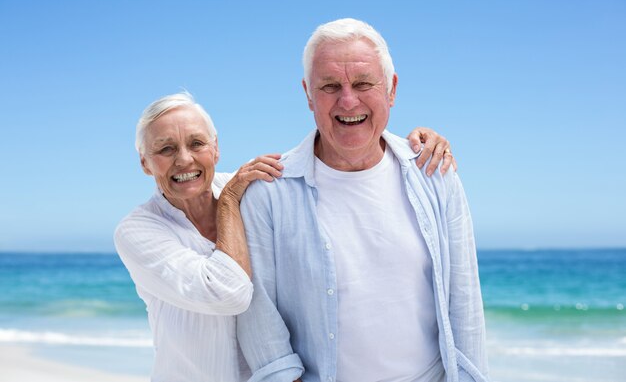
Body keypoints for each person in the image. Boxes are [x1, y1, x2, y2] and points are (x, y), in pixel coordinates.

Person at [115, 92, 456, 382]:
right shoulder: (139, 231)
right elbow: (228, 292)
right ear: (145, 163)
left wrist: (412, 146)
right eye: (166, 149)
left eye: (196, 143)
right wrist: (230, 202)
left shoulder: (253, 188)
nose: (184, 159)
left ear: (215, 149)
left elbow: (325, 171)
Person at [237, 18, 489, 382]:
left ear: (391, 89)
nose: (348, 100)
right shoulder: (268, 191)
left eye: (363, 83)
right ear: (308, 94)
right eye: (330, 86)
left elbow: (464, 300)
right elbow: (258, 311)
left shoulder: (435, 173)